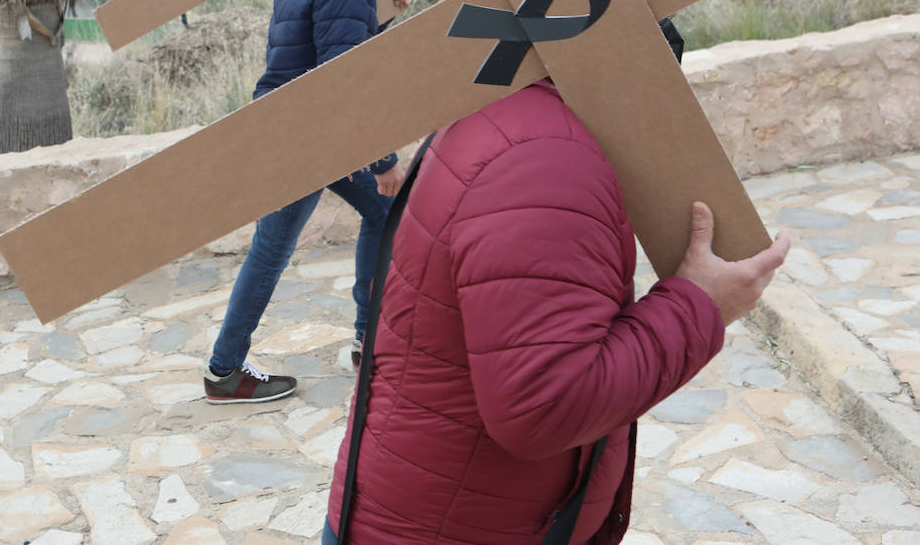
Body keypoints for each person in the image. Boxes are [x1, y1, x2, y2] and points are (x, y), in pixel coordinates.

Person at [321, 71, 792, 543]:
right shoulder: (545, 161)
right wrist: (698, 306)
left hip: (442, 509)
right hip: (456, 524)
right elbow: (544, 407)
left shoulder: (509, 106)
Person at [203, 0, 414, 404]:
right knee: (274, 247)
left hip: (296, 118)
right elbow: (342, 81)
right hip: (305, 131)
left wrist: (384, 16)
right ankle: (225, 371)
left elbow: (328, 47)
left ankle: (369, 341)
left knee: (380, 212)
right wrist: (383, 159)